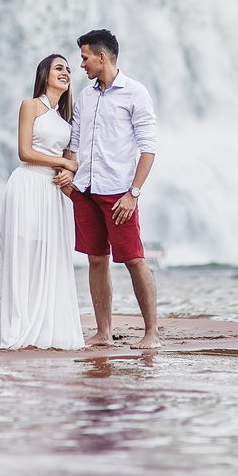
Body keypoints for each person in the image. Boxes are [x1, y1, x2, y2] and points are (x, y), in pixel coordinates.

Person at [54, 29, 161, 349]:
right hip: (84, 190)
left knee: (133, 258)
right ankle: (103, 332)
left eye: (84, 58)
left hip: (118, 193)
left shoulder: (135, 93)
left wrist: (134, 193)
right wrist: (67, 179)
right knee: (96, 259)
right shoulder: (85, 97)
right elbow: (73, 144)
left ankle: (152, 332)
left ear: (102, 57)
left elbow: (148, 147)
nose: (81, 64)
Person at [0, 54, 86, 350]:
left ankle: (47, 324)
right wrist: (63, 163)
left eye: (69, 70)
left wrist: (67, 170)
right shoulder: (30, 105)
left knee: (50, 253)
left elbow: (71, 159)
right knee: (23, 250)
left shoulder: (64, 119)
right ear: (44, 73)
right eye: (59, 68)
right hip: (28, 184)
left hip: (53, 191)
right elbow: (25, 151)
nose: (66, 73)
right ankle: (19, 324)